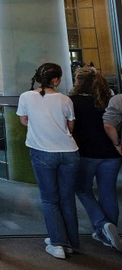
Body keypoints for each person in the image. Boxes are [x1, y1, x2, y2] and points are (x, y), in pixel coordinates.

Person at [17, 63, 78, 259]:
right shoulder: (65, 99)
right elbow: (70, 125)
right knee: (67, 198)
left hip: (42, 151)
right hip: (69, 152)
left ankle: (58, 242)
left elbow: (23, 120)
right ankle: (70, 242)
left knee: (49, 199)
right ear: (57, 80)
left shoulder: (26, 97)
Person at [71, 68, 121, 251]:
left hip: (86, 154)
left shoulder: (72, 101)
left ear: (78, 81)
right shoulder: (109, 100)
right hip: (112, 154)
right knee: (107, 192)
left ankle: (102, 225)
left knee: (82, 189)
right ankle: (108, 232)